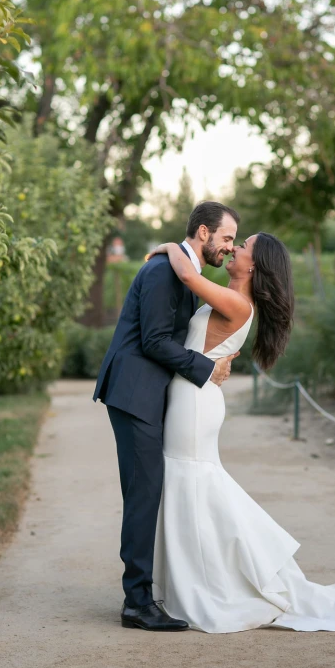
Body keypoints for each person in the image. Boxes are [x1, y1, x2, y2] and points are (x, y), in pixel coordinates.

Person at [147, 234, 335, 633]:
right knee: (192, 485)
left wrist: (168, 247)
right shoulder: (228, 296)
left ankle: (206, 582)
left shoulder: (236, 302)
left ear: (254, 266)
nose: (234, 248)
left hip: (195, 407)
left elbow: (185, 273)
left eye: (243, 245)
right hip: (193, 398)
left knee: (191, 483)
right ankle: (192, 579)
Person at [93, 201, 241, 631]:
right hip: (134, 393)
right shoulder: (162, 272)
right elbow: (155, 341)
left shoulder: (180, 270)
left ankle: (144, 593)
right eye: (226, 237)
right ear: (202, 233)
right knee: (144, 494)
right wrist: (207, 369)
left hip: (146, 394)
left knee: (149, 491)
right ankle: (136, 603)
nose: (229, 248)